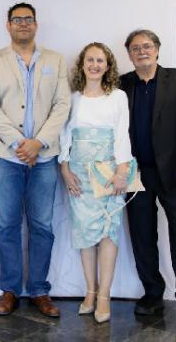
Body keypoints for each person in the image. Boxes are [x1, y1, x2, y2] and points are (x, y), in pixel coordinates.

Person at [0, 2, 71, 318]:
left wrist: (39, 143)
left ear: (36, 24)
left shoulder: (56, 61)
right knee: (7, 225)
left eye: (28, 19)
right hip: (7, 156)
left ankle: (40, 290)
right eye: (16, 19)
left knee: (42, 226)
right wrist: (21, 144)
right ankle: (10, 290)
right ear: (8, 25)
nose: (22, 24)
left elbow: (62, 106)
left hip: (44, 156)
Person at [120, 29, 176, 331]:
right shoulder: (121, 85)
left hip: (174, 175)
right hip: (136, 175)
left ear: (157, 50)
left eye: (147, 46)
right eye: (135, 48)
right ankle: (152, 293)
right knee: (143, 236)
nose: (142, 51)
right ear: (129, 54)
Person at [59, 42, 132, 323]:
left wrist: (122, 171)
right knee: (84, 234)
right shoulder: (73, 98)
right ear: (82, 65)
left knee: (107, 233)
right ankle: (90, 292)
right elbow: (65, 136)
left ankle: (105, 296)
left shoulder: (118, 97)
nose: (95, 65)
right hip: (78, 173)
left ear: (108, 65)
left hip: (109, 173)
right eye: (90, 60)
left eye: (100, 60)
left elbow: (122, 135)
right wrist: (65, 169)